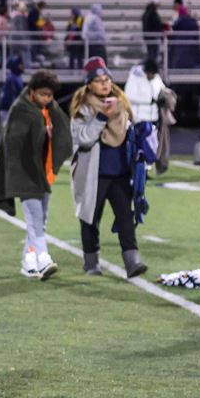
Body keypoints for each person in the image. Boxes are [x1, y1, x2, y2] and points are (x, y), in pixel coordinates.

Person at [69, 56, 148, 278]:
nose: (104, 84)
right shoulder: (83, 109)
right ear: (89, 85)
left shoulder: (121, 105)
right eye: (98, 80)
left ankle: (133, 262)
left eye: (107, 79)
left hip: (120, 173)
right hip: (93, 174)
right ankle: (91, 263)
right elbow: (83, 138)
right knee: (91, 219)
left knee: (125, 218)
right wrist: (102, 116)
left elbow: (128, 134)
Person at [0, 69, 71, 279]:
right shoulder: (21, 110)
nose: (47, 99)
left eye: (50, 95)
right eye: (43, 94)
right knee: (35, 219)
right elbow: (14, 144)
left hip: (42, 174)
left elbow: (61, 131)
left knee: (40, 220)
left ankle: (28, 262)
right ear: (32, 91)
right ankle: (44, 258)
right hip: (24, 174)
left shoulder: (49, 108)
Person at [124, 59, 163, 125]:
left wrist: (163, 97)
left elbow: (162, 89)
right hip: (139, 119)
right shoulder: (134, 78)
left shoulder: (156, 78)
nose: (153, 76)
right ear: (146, 72)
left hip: (154, 118)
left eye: (154, 74)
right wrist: (149, 100)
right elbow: (128, 96)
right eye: (152, 74)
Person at [170, 5, 200, 69]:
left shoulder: (180, 20)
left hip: (181, 42)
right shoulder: (192, 20)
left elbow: (174, 28)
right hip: (192, 42)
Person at [0, 55, 24, 125]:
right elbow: (10, 96)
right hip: (8, 110)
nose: (22, 66)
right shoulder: (12, 79)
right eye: (20, 64)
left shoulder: (17, 77)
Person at [141, 0, 165, 65]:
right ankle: (150, 67)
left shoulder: (146, 13)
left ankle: (150, 66)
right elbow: (156, 24)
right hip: (152, 37)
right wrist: (163, 26)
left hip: (148, 36)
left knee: (151, 53)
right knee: (153, 53)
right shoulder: (152, 13)